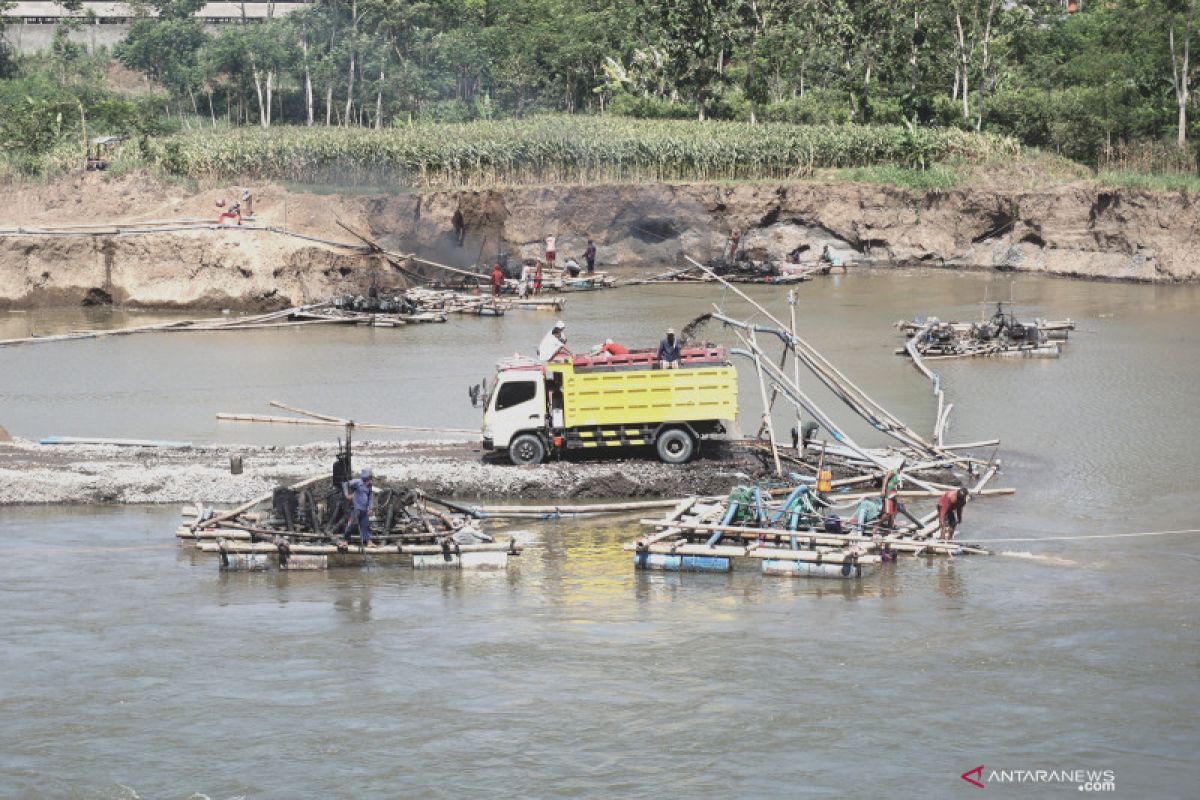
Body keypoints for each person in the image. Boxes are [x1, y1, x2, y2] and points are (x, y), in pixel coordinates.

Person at [342, 467, 377, 548]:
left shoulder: (369, 486)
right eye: (370, 477)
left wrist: (371, 508)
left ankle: (368, 541)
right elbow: (345, 484)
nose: (371, 480)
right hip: (356, 509)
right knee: (351, 525)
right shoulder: (357, 482)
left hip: (364, 510)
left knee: (365, 525)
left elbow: (370, 497)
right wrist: (347, 495)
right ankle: (345, 540)